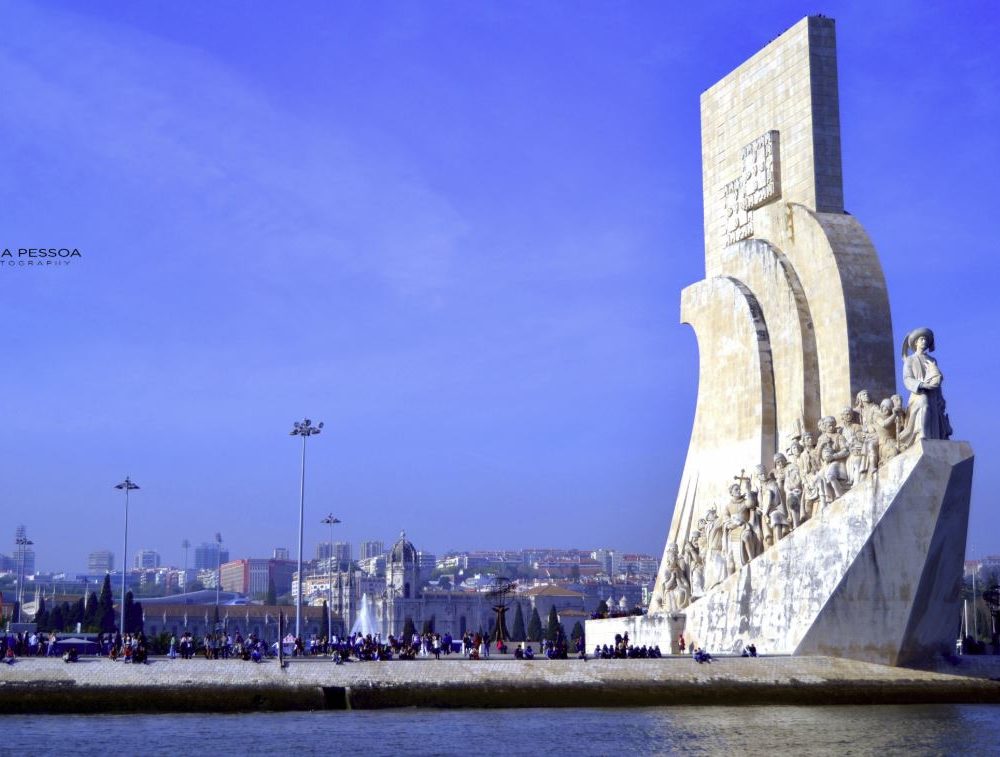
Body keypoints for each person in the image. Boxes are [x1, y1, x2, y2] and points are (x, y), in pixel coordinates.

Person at [898, 327, 952, 446]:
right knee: (924, 404)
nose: (924, 342)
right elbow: (907, 378)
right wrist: (922, 385)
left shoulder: (932, 360)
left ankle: (934, 437)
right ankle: (921, 433)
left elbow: (936, 378)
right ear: (916, 342)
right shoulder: (910, 360)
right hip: (918, 393)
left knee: (934, 411)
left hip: (933, 393)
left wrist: (940, 397)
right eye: (922, 339)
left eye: (926, 340)